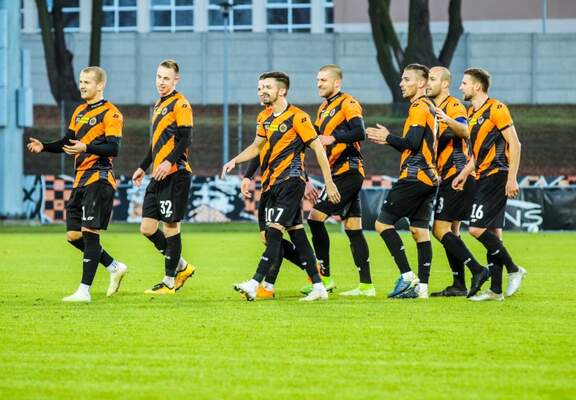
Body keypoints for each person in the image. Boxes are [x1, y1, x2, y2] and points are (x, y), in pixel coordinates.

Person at [222, 71, 341, 302]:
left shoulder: (298, 117)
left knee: (274, 231)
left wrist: (329, 182)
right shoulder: (264, 117)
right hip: (271, 184)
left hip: (291, 181)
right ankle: (319, 287)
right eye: (260, 88)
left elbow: (318, 149)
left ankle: (255, 283)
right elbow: (256, 147)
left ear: (282, 90)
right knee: (297, 235)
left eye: (267, 87)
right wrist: (235, 161)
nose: (262, 92)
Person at [27, 66, 127, 302]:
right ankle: (114, 266)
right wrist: (45, 146)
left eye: (87, 82)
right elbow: (67, 141)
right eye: (81, 81)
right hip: (80, 179)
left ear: (100, 85)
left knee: (90, 232)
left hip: (99, 177)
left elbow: (114, 147)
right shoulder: (79, 111)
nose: (82, 85)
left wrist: (86, 147)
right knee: (73, 236)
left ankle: (84, 291)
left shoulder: (111, 113)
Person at [366, 63, 438, 299]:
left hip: (414, 177)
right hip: (429, 178)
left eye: (407, 79)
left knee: (382, 224)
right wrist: (390, 140)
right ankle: (422, 288)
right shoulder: (430, 106)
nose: (401, 83)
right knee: (419, 231)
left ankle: (407, 276)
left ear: (421, 83)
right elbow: (415, 147)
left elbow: (413, 144)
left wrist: (388, 137)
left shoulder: (418, 107)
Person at [302, 64, 375, 297]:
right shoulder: (323, 108)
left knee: (315, 218)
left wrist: (332, 138)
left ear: (337, 83)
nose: (319, 84)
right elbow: (315, 136)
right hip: (338, 172)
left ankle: (325, 279)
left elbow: (360, 132)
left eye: (323, 80)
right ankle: (366, 286)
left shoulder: (348, 103)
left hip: (349, 171)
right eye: (317, 80)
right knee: (353, 228)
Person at [457, 68, 527, 301]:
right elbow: (478, 153)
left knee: (476, 229)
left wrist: (511, 178)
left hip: (497, 175)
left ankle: (514, 269)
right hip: (482, 176)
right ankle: (496, 290)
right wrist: (464, 174)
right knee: (494, 232)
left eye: (464, 83)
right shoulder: (472, 113)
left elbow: (515, 144)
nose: (461, 87)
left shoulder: (497, 109)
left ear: (477, 86)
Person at [131, 60, 195, 295]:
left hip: (176, 174)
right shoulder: (159, 104)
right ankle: (182, 266)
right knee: (147, 228)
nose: (161, 82)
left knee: (170, 227)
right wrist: (142, 166)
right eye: (159, 77)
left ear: (176, 80)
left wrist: (168, 162)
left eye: (166, 78)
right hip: (157, 175)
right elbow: (156, 143)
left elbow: (186, 139)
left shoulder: (181, 103)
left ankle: (169, 282)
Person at [427, 66, 490, 297]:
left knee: (439, 229)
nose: (428, 83)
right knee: (452, 230)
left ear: (445, 84)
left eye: (432, 79)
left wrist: (446, 120)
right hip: (449, 174)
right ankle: (459, 285)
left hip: (457, 174)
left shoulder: (453, 105)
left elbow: (466, 130)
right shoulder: (433, 108)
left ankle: (478, 269)